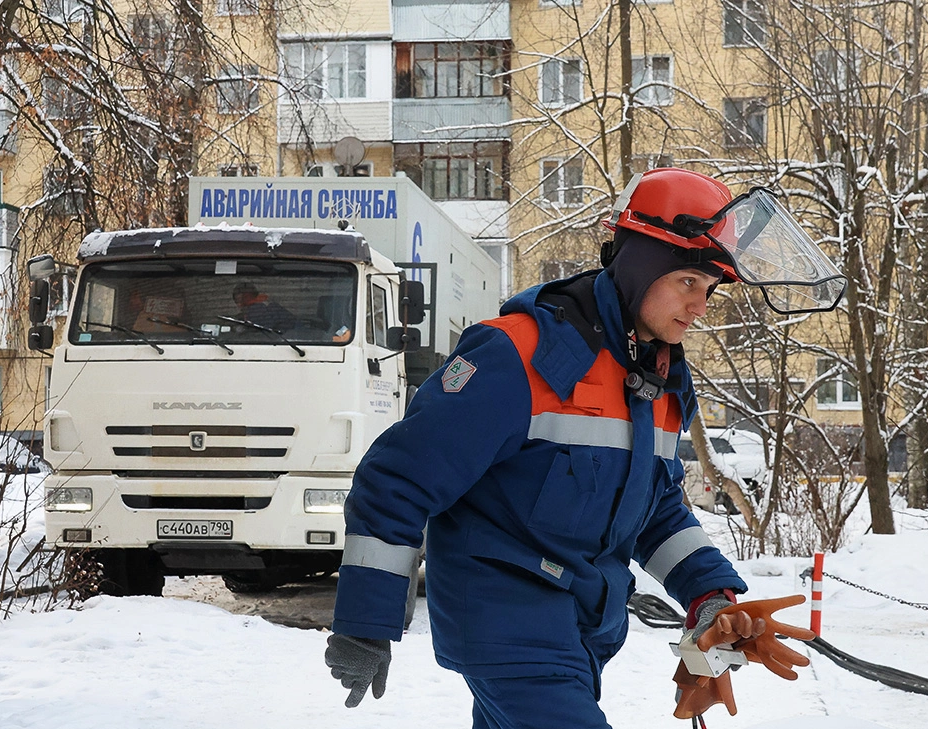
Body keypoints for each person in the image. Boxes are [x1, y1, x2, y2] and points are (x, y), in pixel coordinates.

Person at [324, 168, 845, 727]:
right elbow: (397, 481)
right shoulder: (516, 356)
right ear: (643, 268)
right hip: (505, 630)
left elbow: (656, 508)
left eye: (710, 290)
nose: (699, 305)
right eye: (688, 282)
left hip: (580, 635)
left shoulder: (661, 382)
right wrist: (365, 622)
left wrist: (709, 594)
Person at [231, 281, 296, 332]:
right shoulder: (240, 318)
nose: (239, 305)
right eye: (237, 302)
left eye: (242, 301)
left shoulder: (257, 311)